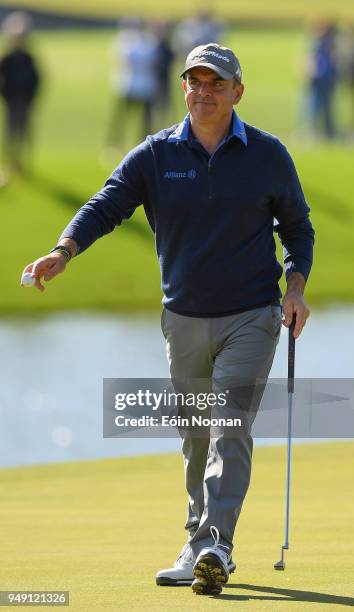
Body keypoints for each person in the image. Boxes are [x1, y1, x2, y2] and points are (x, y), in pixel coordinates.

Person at [22, 43, 314, 596]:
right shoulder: (156, 154)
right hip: (182, 318)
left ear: (237, 92)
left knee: (229, 422)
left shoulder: (269, 155)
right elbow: (108, 203)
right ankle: (195, 540)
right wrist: (64, 251)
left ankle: (215, 547)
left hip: (252, 314)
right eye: (195, 82)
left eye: (216, 83)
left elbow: (298, 230)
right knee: (196, 435)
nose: (203, 92)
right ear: (184, 87)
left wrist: (294, 287)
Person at [0, 11, 40, 173]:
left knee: (24, 131)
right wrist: (5, 94)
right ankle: (10, 160)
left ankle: (22, 161)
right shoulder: (7, 59)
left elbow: (36, 79)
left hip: (25, 100)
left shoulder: (29, 58)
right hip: (11, 100)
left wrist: (32, 96)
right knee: (10, 131)